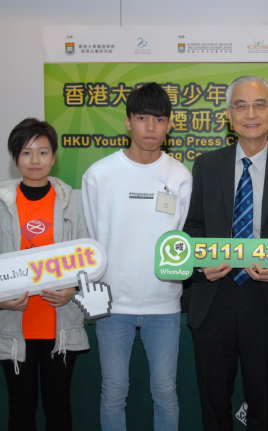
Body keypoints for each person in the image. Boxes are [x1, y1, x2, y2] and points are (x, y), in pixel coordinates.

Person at [183, 75, 268, 431]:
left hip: (265, 299)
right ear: (228, 114)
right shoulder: (207, 165)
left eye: (258, 104)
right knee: (213, 402)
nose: (250, 113)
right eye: (240, 105)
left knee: (265, 402)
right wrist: (200, 266)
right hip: (213, 297)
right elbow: (193, 226)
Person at [82, 82, 192, 431]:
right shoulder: (99, 175)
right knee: (114, 392)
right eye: (142, 118)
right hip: (113, 305)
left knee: (165, 391)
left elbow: (183, 238)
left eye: (159, 119)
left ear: (169, 124)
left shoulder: (180, 176)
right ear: (128, 121)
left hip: (164, 304)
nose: (150, 127)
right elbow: (90, 243)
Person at [0, 118, 90, 431]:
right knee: (21, 409)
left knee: (59, 408)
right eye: (26, 153)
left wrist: (72, 291)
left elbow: (88, 262)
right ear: (15, 159)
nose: (35, 160)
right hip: (15, 328)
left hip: (59, 324)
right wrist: (1, 302)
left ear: (54, 157)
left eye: (42, 152)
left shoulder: (71, 203)